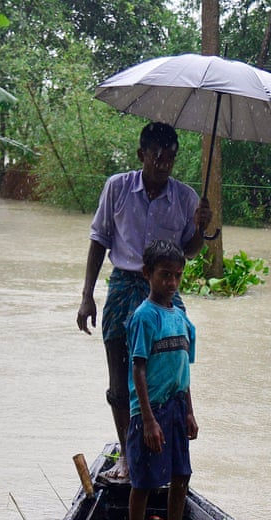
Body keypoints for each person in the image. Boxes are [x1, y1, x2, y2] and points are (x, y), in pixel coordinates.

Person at [77, 121, 213, 475]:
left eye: (170, 158)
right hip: (124, 284)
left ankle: (169, 443)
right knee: (120, 377)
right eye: (157, 157)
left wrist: (200, 227)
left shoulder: (185, 198)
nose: (164, 165)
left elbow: (190, 251)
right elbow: (98, 241)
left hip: (163, 291)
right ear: (141, 155)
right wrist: (87, 296)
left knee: (172, 368)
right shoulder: (118, 188)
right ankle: (126, 452)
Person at [123, 239, 197, 520]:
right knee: (143, 482)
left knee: (182, 475)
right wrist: (150, 421)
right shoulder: (144, 317)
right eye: (165, 275)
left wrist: (190, 412)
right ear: (147, 274)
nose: (171, 283)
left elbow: (183, 372)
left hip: (178, 406)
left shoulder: (180, 317)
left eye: (177, 276)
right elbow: (138, 370)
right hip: (150, 411)